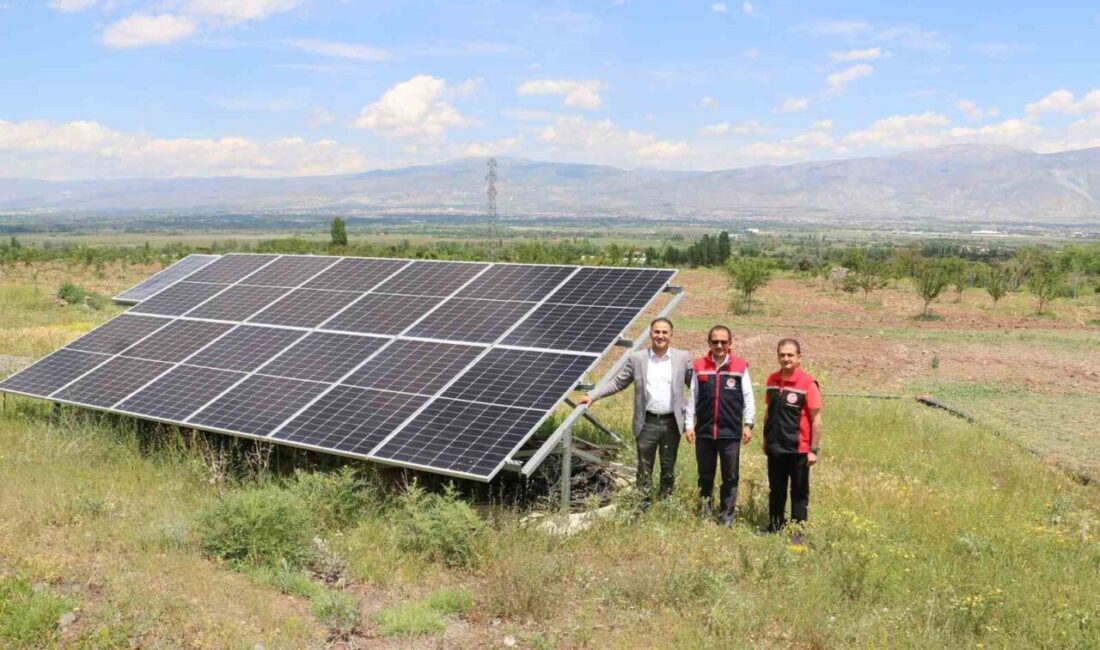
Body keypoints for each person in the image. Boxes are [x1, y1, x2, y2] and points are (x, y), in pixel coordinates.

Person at [577, 317, 692, 508]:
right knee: (644, 467)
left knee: (668, 465)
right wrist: (592, 396)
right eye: (656, 332)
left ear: (671, 335)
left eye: (664, 332)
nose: (660, 336)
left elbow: (695, 386)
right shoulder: (638, 358)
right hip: (646, 422)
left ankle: (666, 504)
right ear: (650, 334)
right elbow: (618, 382)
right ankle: (642, 505)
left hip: (673, 422)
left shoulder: (682, 358)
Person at [684, 325, 755, 526]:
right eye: (715, 341)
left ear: (730, 343)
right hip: (705, 432)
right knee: (705, 476)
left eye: (723, 341)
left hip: (730, 433)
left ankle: (726, 516)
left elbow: (748, 398)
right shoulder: (699, 366)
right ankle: (705, 512)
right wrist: (689, 425)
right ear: (709, 343)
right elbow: (692, 398)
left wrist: (748, 424)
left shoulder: (740, 367)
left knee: (730, 477)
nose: (719, 345)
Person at [761, 338, 823, 544]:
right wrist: (765, 439)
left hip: (799, 449)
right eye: (782, 355)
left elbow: (816, 419)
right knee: (776, 489)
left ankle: (798, 534)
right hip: (776, 447)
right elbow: (768, 411)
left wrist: (813, 450)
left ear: (799, 358)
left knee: (798, 492)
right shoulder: (771, 380)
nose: (786, 359)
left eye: (790, 355)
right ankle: (775, 526)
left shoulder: (808, 384)